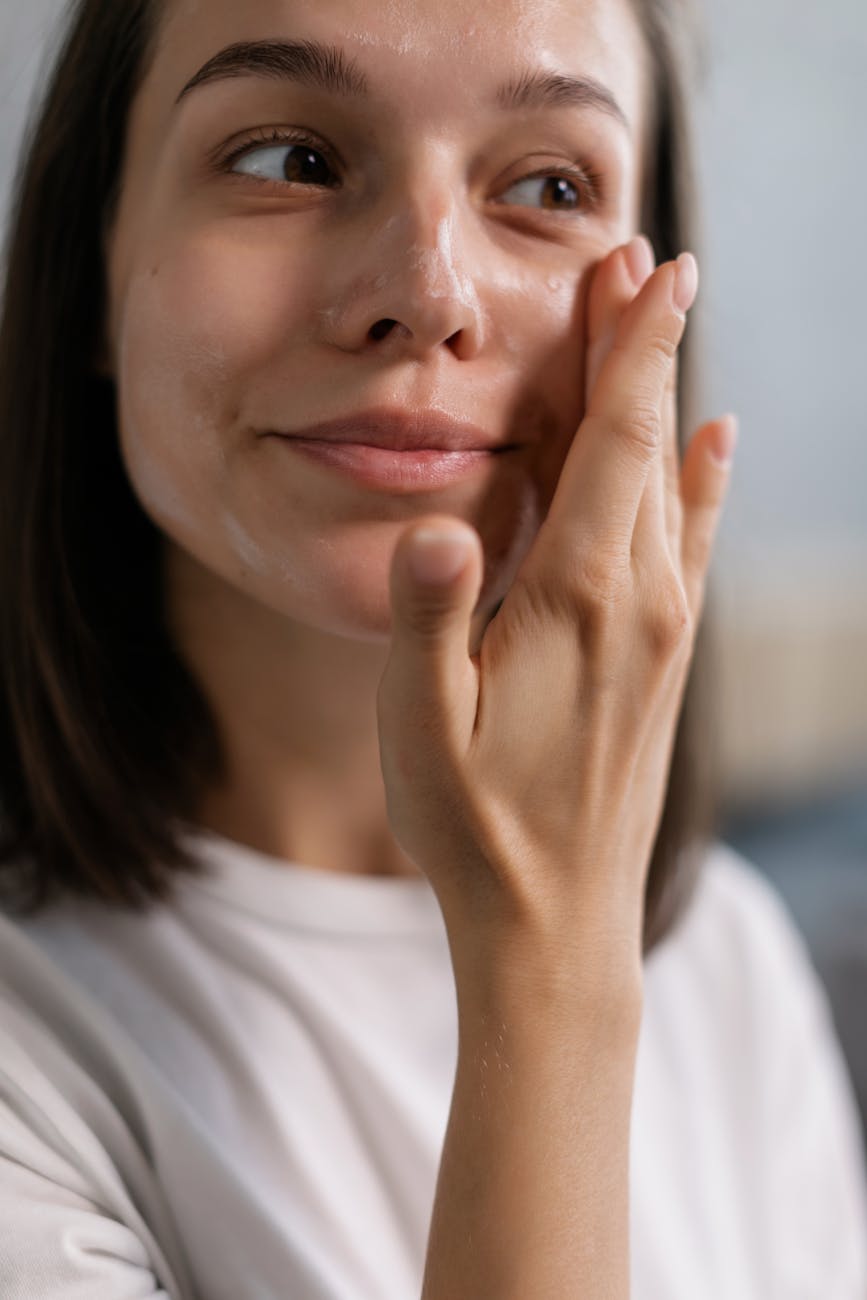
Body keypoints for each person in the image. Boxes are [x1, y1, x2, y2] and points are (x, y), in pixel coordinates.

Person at [0, 0, 864, 1295]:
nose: (426, 293)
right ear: (90, 271)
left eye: (548, 184)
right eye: (288, 158)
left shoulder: (728, 961)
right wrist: (548, 984)